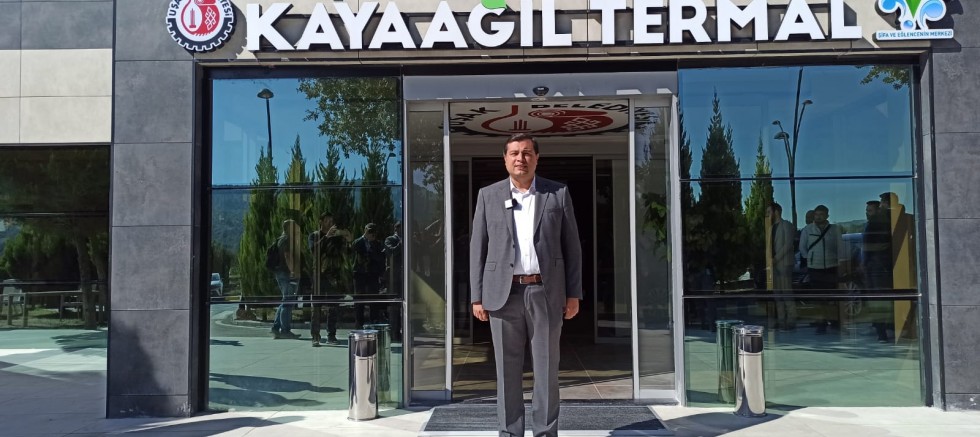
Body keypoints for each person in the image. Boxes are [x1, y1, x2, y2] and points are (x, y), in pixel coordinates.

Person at [470, 133, 583, 437]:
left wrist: (574, 293)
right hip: (502, 294)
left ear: (536, 158)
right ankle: (510, 432)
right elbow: (477, 248)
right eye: (515, 153)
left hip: (545, 292)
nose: (521, 158)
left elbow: (572, 247)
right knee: (507, 371)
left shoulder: (557, 193)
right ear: (505, 159)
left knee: (546, 370)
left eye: (527, 152)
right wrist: (477, 296)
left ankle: (545, 432)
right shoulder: (488, 195)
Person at [798, 205, 848, 334]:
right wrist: (810, 258)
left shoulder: (834, 229)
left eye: (821, 214)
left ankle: (835, 321)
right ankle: (821, 323)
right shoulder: (808, 229)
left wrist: (841, 262)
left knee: (833, 297)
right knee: (818, 297)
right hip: (815, 268)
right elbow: (802, 247)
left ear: (827, 216)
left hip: (831, 266)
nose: (819, 217)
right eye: (817, 214)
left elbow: (840, 247)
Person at [308, 211, 352, 346]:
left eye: (331, 221)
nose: (330, 223)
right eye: (327, 220)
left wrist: (348, 241)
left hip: (334, 276)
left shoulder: (337, 238)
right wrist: (326, 237)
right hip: (319, 276)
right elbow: (314, 251)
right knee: (316, 307)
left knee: (333, 306)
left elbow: (347, 253)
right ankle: (315, 335)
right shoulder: (314, 236)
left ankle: (331, 335)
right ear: (321, 222)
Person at [271, 219, 302, 339]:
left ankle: (276, 328)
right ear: (289, 228)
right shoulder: (288, 239)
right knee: (288, 301)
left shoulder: (281, 239)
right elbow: (288, 256)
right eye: (295, 226)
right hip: (287, 273)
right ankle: (285, 330)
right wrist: (293, 271)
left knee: (285, 300)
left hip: (281, 273)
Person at [768, 202, 797, 330]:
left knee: (786, 292)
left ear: (776, 212)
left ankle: (791, 320)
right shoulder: (771, 228)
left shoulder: (786, 225)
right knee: (777, 294)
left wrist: (776, 258)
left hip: (784, 263)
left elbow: (788, 244)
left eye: (769, 212)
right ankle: (781, 320)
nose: (768, 215)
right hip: (773, 265)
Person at [352, 223, 386, 328]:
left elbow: (380, 258)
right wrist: (364, 237)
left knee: (373, 299)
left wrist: (371, 245)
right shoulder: (360, 241)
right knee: (359, 299)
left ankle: (374, 321)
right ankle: (359, 323)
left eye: (372, 231)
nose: (370, 233)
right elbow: (353, 246)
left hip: (372, 274)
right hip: (360, 274)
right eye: (368, 231)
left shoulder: (377, 244)